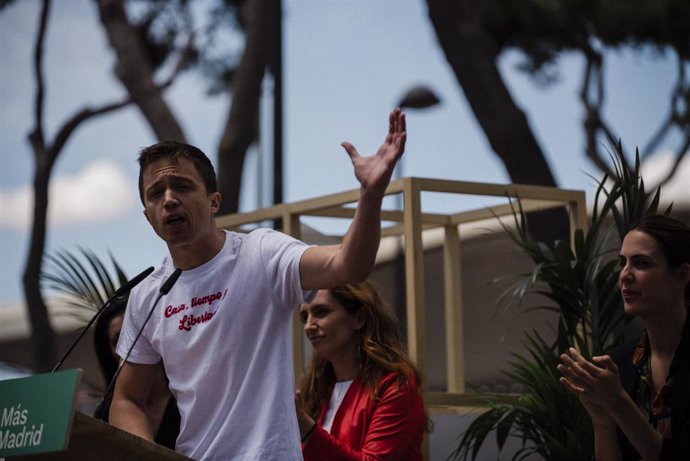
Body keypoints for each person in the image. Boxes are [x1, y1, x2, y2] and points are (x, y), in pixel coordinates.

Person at [109, 109, 407, 460]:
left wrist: (370, 195)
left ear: (213, 201)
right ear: (147, 215)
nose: (169, 199)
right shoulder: (148, 295)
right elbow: (126, 400)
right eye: (155, 193)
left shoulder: (260, 253)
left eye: (183, 186)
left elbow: (348, 265)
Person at [558, 214, 690, 460]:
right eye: (622, 263)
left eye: (641, 263)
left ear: (681, 276)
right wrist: (603, 421)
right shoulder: (621, 363)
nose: (624, 275)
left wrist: (619, 404)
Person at [296, 281, 427, 460]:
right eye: (304, 317)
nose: (308, 326)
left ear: (359, 319)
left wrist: (305, 426)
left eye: (321, 312)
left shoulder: (396, 385)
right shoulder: (317, 387)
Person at [92, 293, 180, 449]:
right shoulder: (104, 413)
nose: (131, 343)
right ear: (110, 352)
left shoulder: (185, 396)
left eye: (136, 333)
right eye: (118, 339)